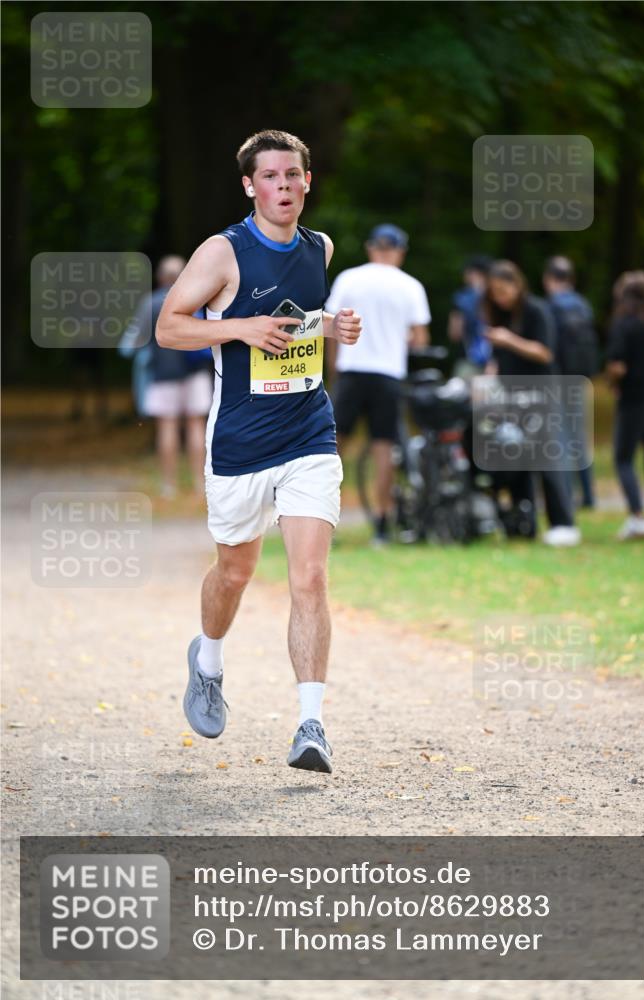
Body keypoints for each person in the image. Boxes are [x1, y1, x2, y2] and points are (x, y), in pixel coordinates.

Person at [156, 129, 361, 773]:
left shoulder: (319, 248)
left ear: (308, 182)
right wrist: (241, 327)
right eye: (269, 177)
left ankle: (311, 724)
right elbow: (168, 327)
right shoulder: (224, 252)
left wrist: (334, 327)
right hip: (241, 441)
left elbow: (300, 321)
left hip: (308, 433)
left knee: (310, 577)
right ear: (250, 186)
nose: (282, 187)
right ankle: (208, 660)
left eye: (292, 176)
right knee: (236, 574)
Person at [326, 223, 431, 544]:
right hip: (388, 373)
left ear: (371, 248)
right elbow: (419, 338)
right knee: (384, 447)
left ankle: (318, 519)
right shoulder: (410, 286)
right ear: (400, 251)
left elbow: (331, 325)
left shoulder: (350, 278)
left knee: (332, 447)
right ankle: (383, 525)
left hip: (352, 370)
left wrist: (333, 369)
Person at [483, 260, 581, 547]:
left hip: (542, 393)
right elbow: (498, 358)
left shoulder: (537, 310)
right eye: (494, 292)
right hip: (512, 396)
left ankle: (564, 523)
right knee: (516, 455)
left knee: (547, 456)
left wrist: (509, 340)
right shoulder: (500, 314)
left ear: (517, 284)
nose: (499, 296)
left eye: (503, 290)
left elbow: (545, 352)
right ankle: (523, 522)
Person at [123, 256, 213, 497]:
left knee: (167, 427)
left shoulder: (150, 304)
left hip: (162, 375)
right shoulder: (195, 300)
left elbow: (131, 343)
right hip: (196, 373)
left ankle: (168, 486)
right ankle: (199, 483)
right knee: (196, 425)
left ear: (160, 277)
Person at [606, 271, 644, 541]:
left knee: (623, 458)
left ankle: (637, 517)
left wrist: (612, 379)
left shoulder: (625, 324)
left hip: (634, 402)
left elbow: (618, 365)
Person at [543, 255, 598, 508]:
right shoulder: (583, 306)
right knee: (580, 437)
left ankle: (566, 494)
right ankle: (589, 495)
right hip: (581, 378)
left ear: (549, 279)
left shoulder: (551, 307)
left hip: (559, 379)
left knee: (562, 438)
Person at [448, 254, 493, 378]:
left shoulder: (462, 298)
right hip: (495, 363)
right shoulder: (499, 296)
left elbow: (455, 334)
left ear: (472, 272)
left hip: (469, 362)